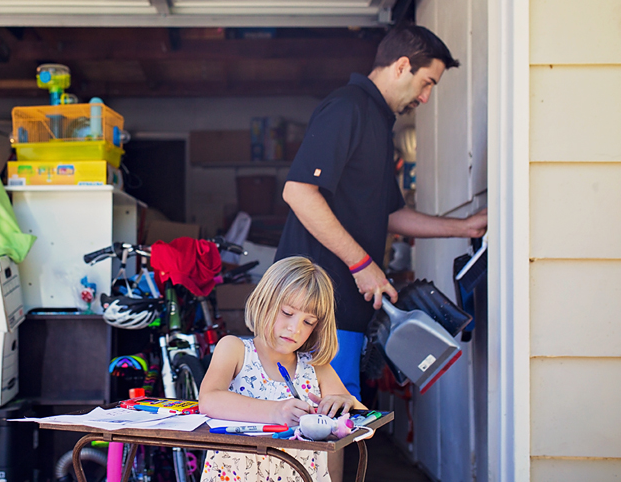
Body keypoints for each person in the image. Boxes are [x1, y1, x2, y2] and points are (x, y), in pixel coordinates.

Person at [275, 24, 488, 406]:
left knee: (338, 421)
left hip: (344, 313)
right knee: (323, 427)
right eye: (427, 83)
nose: (425, 97)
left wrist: (464, 226)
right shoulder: (348, 108)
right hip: (312, 311)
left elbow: (390, 214)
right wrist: (361, 264)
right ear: (402, 65)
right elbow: (299, 192)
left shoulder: (378, 123)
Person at [199, 256, 367, 482]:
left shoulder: (316, 367)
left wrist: (346, 404)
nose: (295, 329)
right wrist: (276, 412)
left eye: (308, 322)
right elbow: (208, 400)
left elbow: (362, 415)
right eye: (287, 313)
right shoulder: (235, 350)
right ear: (264, 301)